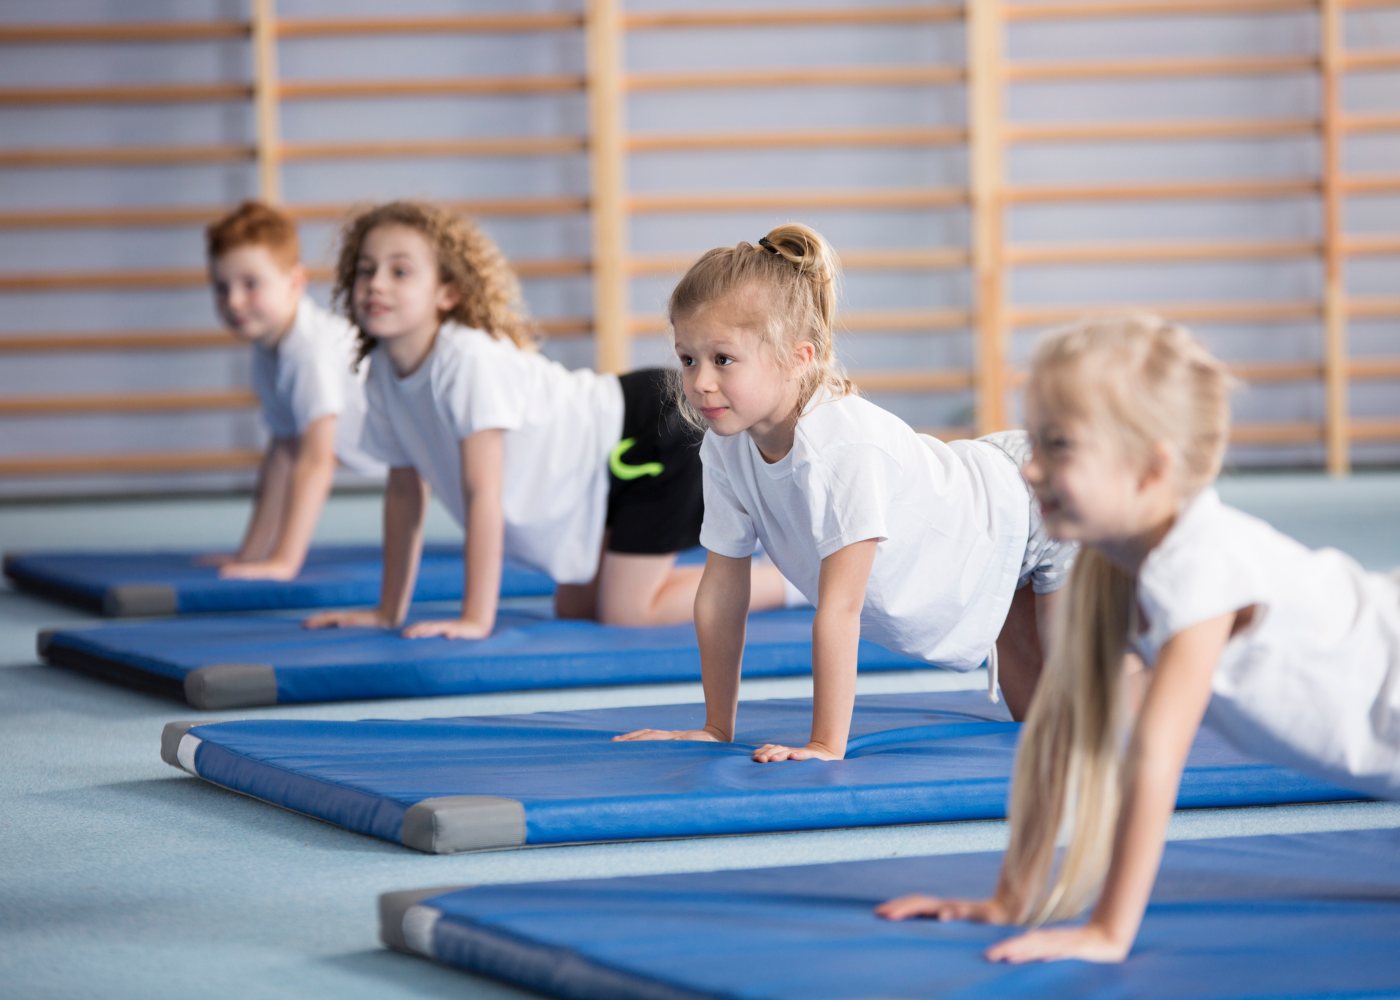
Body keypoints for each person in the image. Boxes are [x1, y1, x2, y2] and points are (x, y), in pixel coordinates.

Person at [877, 314, 1400, 963]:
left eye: (1059, 446)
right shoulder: (1109, 568)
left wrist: (1108, 931)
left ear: (1152, 470)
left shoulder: (1199, 565)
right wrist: (1011, 898)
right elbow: (1061, 731)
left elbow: (1155, 755)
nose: (1030, 470)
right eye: (1034, 442)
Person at [615, 223, 1073, 763]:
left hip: (1036, 502)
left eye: (723, 359)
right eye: (687, 358)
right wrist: (717, 727)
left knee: (1086, 710)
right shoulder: (724, 448)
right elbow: (721, 592)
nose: (699, 383)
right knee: (1037, 727)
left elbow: (841, 607)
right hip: (988, 534)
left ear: (799, 357)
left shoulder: (839, 449)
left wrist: (825, 744)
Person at [306, 200, 785, 639]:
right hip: (595, 475)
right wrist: (388, 611)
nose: (376, 284)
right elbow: (406, 491)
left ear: (447, 292)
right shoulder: (382, 375)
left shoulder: (465, 360)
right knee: (577, 609)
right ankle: (753, 569)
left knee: (627, 611)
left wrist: (476, 617)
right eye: (365, 271)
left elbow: (483, 496)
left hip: (647, 432)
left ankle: (786, 584)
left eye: (400, 271)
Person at [204, 200, 381, 581]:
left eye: (251, 284)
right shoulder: (267, 349)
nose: (234, 301)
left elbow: (317, 461)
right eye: (222, 287)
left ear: (295, 284)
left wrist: (284, 561)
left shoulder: (309, 351)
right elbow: (284, 451)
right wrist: (251, 554)